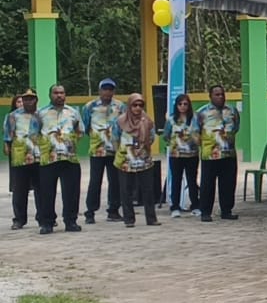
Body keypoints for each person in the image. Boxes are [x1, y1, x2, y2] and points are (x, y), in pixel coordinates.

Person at [36, 84, 85, 234]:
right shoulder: (41, 113)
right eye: (56, 93)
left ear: (65, 95)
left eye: (62, 93)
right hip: (48, 159)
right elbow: (35, 132)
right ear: (50, 95)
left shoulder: (73, 112)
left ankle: (71, 221)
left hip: (69, 159)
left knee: (71, 192)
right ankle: (47, 223)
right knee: (46, 192)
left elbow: (80, 131)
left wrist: (69, 143)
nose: (59, 95)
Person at [113, 93, 160, 228]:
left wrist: (142, 149)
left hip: (144, 160)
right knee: (126, 190)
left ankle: (151, 218)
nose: (138, 108)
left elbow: (152, 137)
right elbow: (115, 138)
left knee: (148, 190)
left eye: (140, 105)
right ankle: (129, 219)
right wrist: (122, 153)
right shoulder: (120, 121)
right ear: (129, 106)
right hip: (125, 161)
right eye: (134, 105)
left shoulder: (147, 120)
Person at [83, 78, 126, 224]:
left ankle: (113, 210)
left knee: (115, 181)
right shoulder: (90, 107)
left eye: (110, 89)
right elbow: (86, 126)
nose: (107, 92)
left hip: (115, 150)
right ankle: (90, 211)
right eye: (105, 89)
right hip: (97, 150)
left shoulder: (120, 106)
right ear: (99, 90)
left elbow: (124, 125)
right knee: (95, 181)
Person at [195, 85, 240, 222]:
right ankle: (205, 212)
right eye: (217, 94)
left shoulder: (232, 110)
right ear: (210, 96)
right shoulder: (201, 112)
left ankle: (226, 210)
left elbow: (236, 127)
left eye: (222, 94)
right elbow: (196, 132)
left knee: (228, 183)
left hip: (228, 154)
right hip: (210, 155)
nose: (220, 97)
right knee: (207, 184)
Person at [5, 89, 42, 230]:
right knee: (19, 190)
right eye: (26, 99)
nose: (28, 101)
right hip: (20, 158)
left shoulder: (41, 115)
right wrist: (7, 146)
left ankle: (43, 217)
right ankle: (19, 219)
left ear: (36, 100)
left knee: (41, 189)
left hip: (39, 157)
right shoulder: (13, 116)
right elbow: (8, 135)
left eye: (31, 98)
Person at [164, 93, 200, 218]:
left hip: (192, 155)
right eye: (180, 104)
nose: (183, 106)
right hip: (176, 155)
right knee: (176, 180)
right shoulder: (171, 119)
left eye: (185, 104)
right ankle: (175, 206)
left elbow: (199, 133)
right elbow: (166, 135)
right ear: (176, 105)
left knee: (192, 180)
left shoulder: (195, 119)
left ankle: (195, 205)